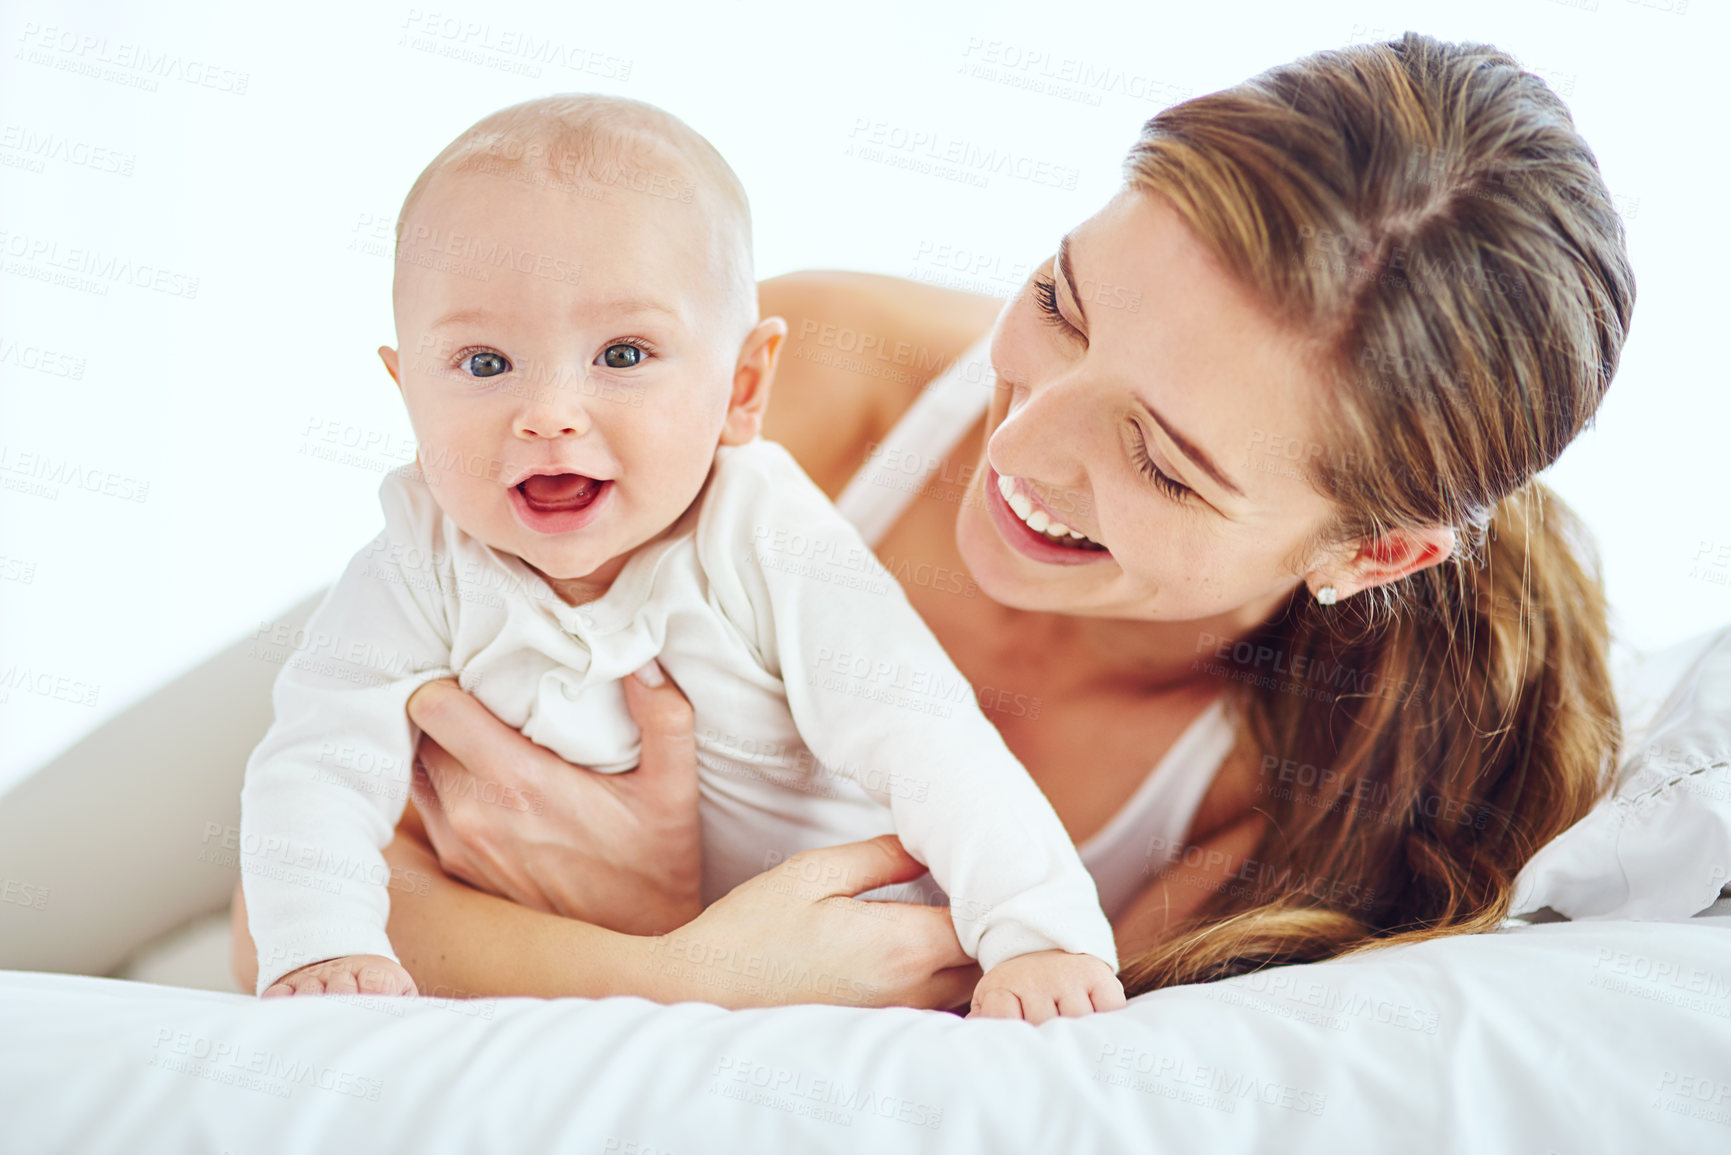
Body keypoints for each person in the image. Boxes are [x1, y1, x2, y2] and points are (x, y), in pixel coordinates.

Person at [232, 31, 1633, 1017]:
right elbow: (280, 903)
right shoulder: (771, 389)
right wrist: (680, 970)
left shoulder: (1278, 814)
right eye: (1058, 304)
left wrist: (647, 918)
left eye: (1157, 460)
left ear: (1366, 551)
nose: (1018, 442)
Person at [236, 94, 1125, 1021]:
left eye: (621, 353)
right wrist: (323, 943)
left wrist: (1039, 931)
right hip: (576, 962)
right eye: (485, 364)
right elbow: (318, 758)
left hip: (841, 945)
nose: (549, 412)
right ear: (407, 393)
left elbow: (926, 733)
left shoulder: (764, 531)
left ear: (742, 387)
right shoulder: (416, 560)